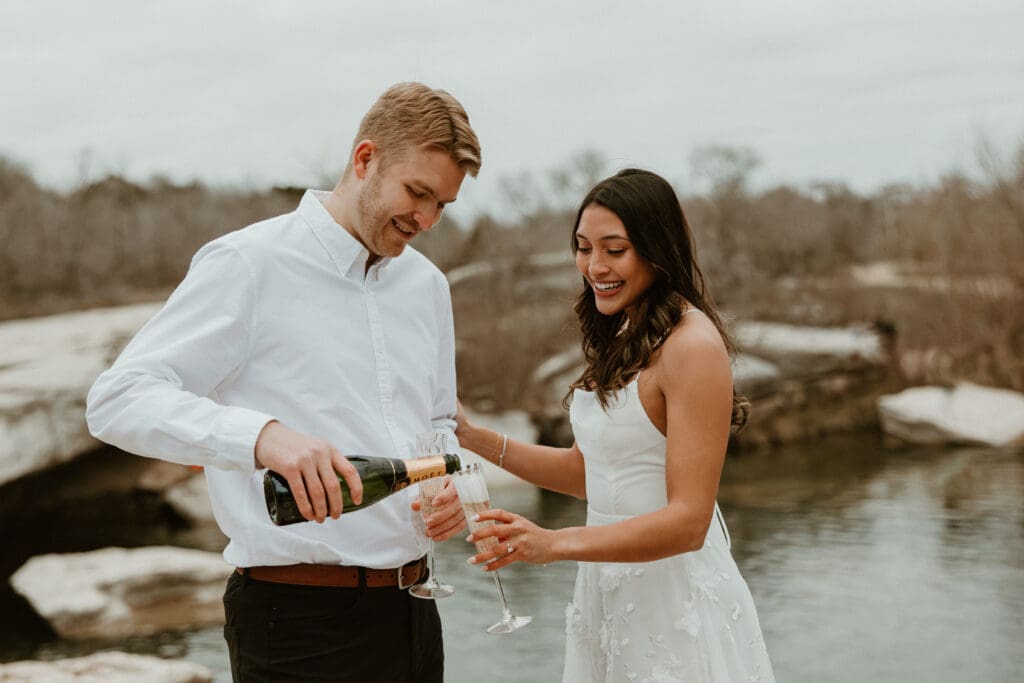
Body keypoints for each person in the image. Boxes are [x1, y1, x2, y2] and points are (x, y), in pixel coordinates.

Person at [86, 82, 481, 682]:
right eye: (417, 193)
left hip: (416, 610)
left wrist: (448, 487)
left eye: (442, 205)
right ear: (365, 159)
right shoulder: (247, 264)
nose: (426, 220)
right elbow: (117, 399)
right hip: (295, 623)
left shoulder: (428, 286)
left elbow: (436, 423)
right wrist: (264, 437)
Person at [456, 169, 774, 682]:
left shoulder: (692, 346)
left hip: (675, 601)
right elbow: (591, 473)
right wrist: (473, 438)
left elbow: (689, 523)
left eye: (614, 249)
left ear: (656, 248)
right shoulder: (626, 329)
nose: (594, 266)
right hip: (607, 590)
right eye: (583, 247)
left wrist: (554, 543)